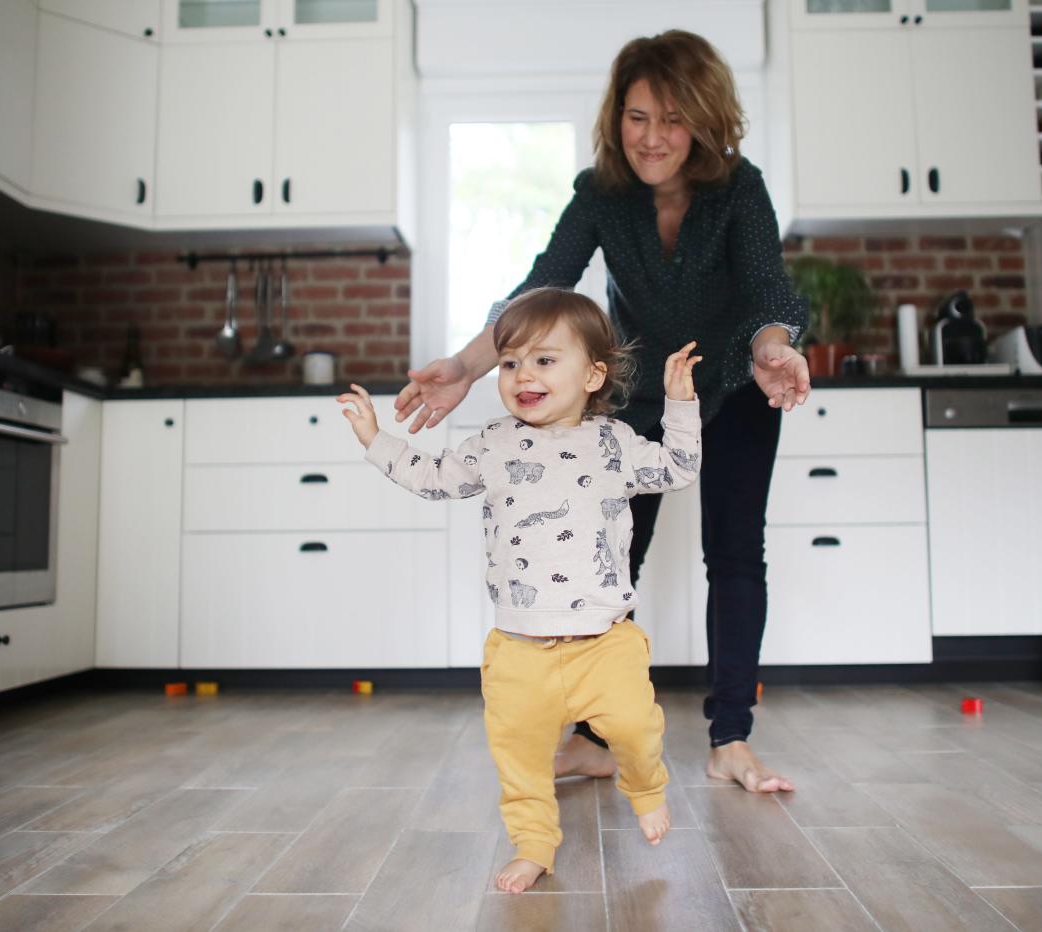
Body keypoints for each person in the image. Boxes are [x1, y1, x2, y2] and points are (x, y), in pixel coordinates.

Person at [394, 30, 808, 794]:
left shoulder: (738, 188)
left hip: (738, 388)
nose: (653, 138)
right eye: (639, 115)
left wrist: (773, 349)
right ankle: (591, 737)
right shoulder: (601, 196)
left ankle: (730, 739)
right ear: (617, 116)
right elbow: (539, 287)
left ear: (706, 120)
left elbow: (766, 288)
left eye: (675, 119)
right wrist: (462, 366)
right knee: (606, 557)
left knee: (736, 554)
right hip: (641, 396)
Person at [338, 288, 702, 893]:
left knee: (637, 730)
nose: (521, 375)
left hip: (604, 643)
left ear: (592, 375)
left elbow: (678, 469)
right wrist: (378, 440)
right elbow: (434, 479)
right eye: (509, 363)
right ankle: (534, 845)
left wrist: (678, 403)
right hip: (519, 649)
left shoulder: (613, 443)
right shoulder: (494, 443)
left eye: (543, 361)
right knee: (521, 760)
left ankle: (646, 788)